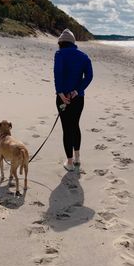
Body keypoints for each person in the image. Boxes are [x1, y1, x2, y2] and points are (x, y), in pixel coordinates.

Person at [53, 29, 93, 171]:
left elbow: (58, 73)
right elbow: (89, 77)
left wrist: (60, 93)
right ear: (73, 42)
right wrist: (77, 90)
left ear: (61, 43)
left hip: (63, 98)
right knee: (75, 126)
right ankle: (77, 158)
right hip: (78, 98)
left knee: (67, 129)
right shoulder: (84, 57)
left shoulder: (59, 54)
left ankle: (69, 163)